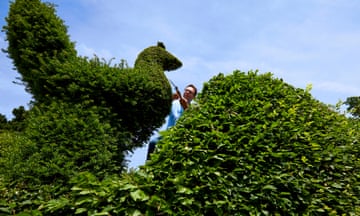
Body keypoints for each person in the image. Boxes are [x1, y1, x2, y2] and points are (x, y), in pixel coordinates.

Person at [146, 84, 197, 160]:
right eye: (186, 90)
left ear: (193, 96)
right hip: (168, 133)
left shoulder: (194, 108)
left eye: (190, 92)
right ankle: (147, 164)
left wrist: (186, 106)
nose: (187, 92)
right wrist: (170, 98)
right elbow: (162, 107)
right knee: (153, 142)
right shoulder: (174, 102)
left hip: (183, 135)